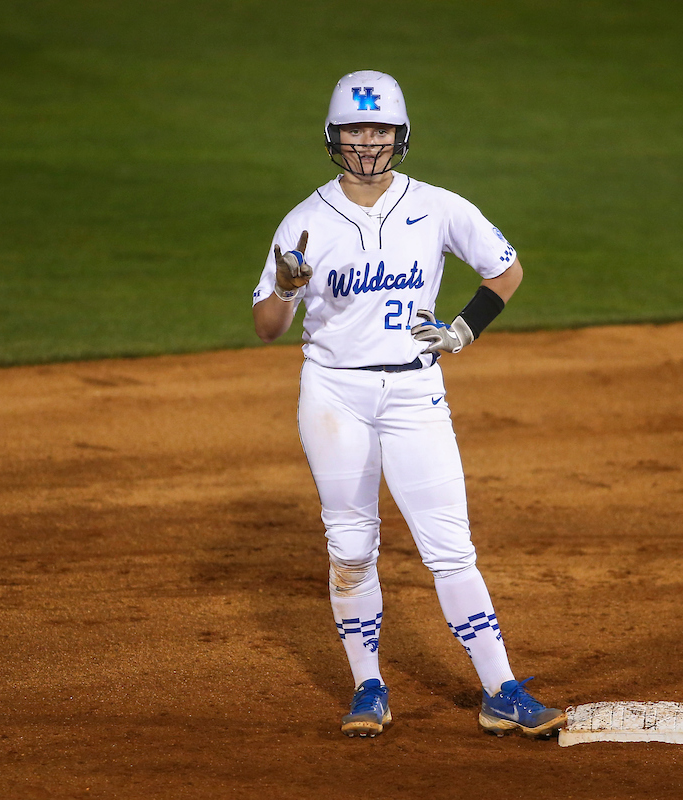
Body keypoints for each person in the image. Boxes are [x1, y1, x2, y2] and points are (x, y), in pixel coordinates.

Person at [251, 70, 565, 740]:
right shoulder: (304, 222)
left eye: (380, 130)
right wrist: (283, 285)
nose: (368, 143)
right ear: (335, 137)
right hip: (335, 395)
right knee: (352, 544)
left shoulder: (440, 207)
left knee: (451, 547)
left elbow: (505, 271)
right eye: (356, 130)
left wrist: (462, 329)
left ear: (400, 136)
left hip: (417, 393)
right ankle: (368, 686)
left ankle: (501, 690)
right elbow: (268, 326)